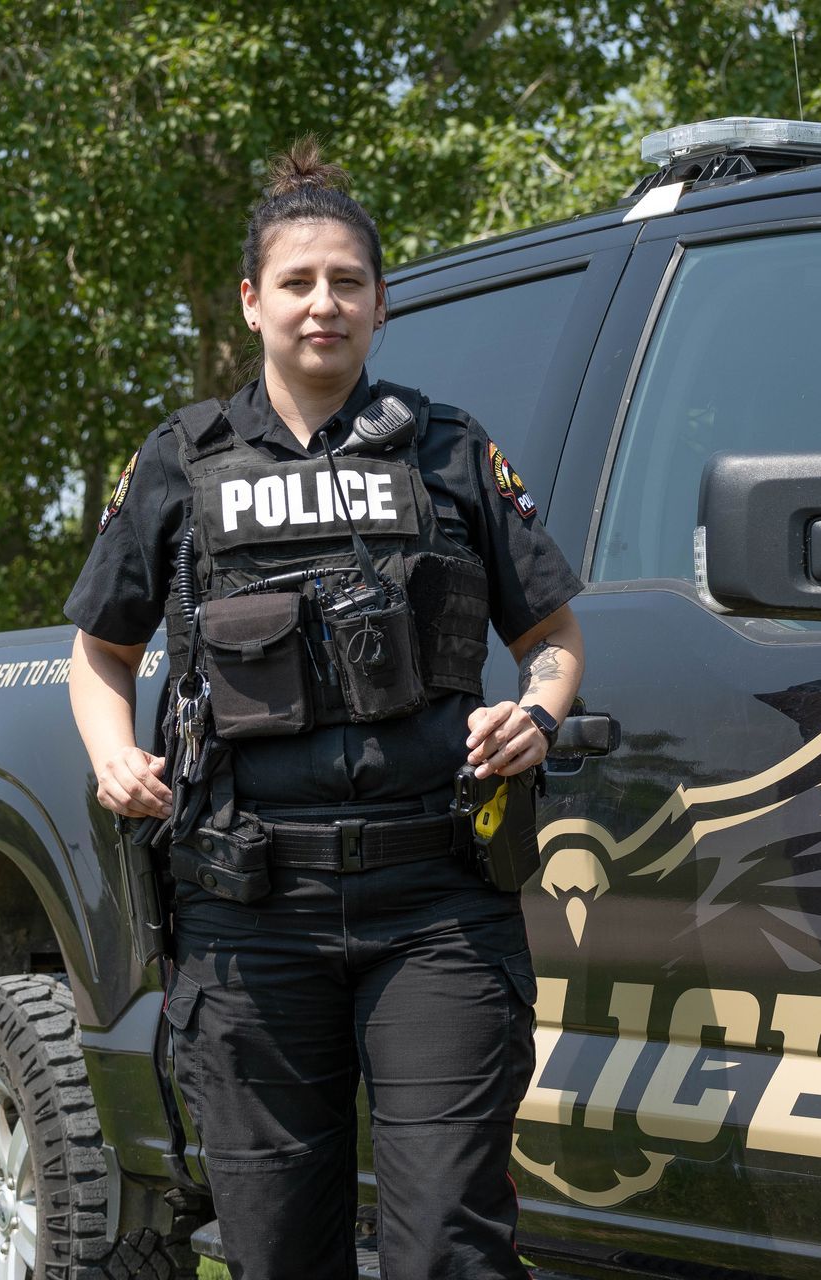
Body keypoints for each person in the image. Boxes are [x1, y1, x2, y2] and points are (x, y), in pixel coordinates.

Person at [64, 137, 584, 1280]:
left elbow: (550, 639)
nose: (323, 304)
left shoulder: (450, 450)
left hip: (437, 902)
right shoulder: (180, 462)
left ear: (381, 302)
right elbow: (100, 653)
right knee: (278, 1248)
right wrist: (112, 755)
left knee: (450, 1236)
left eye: (347, 281)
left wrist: (538, 715)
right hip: (250, 911)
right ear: (252, 301)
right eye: (297, 282)